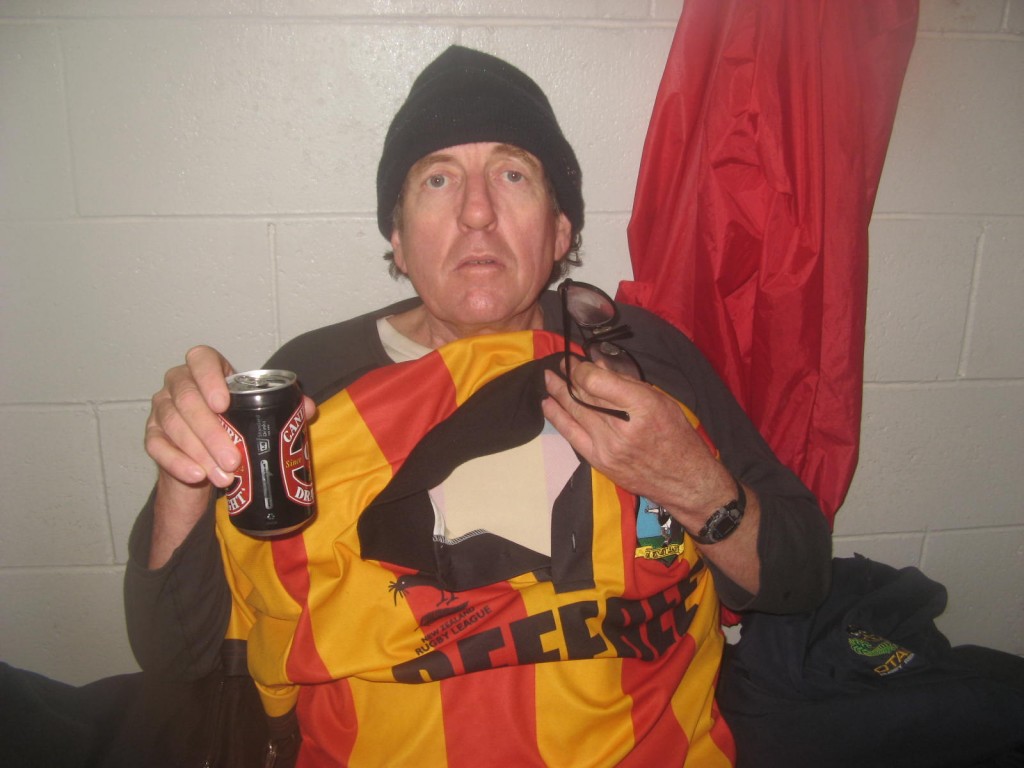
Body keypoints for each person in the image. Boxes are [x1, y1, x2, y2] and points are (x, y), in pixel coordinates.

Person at [126, 45, 832, 766]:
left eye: (512, 174)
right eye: (438, 179)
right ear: (398, 239)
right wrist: (185, 478)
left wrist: (693, 484)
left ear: (560, 232)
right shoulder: (311, 385)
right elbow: (177, 656)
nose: (476, 212)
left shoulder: (644, 357)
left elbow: (798, 579)